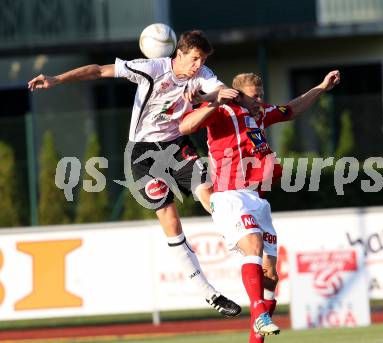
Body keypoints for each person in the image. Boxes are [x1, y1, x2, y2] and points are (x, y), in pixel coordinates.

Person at [27, 30, 241, 317]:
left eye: (202, 60)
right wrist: (56, 79)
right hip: (143, 155)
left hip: (176, 146)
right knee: (170, 218)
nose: (197, 65)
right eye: (194, 58)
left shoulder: (202, 73)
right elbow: (98, 70)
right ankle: (209, 293)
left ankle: (236, 240)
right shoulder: (151, 68)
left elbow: (218, 88)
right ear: (178, 53)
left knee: (208, 190)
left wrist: (211, 94)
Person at [179, 70, 340, 340]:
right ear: (238, 95)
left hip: (257, 199)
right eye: (255, 96)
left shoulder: (261, 113)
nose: (260, 100)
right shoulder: (222, 112)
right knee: (252, 243)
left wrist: (321, 88)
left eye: (261, 94)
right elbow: (187, 126)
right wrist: (214, 101)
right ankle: (258, 312)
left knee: (271, 277)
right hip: (230, 195)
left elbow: (291, 109)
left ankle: (258, 332)